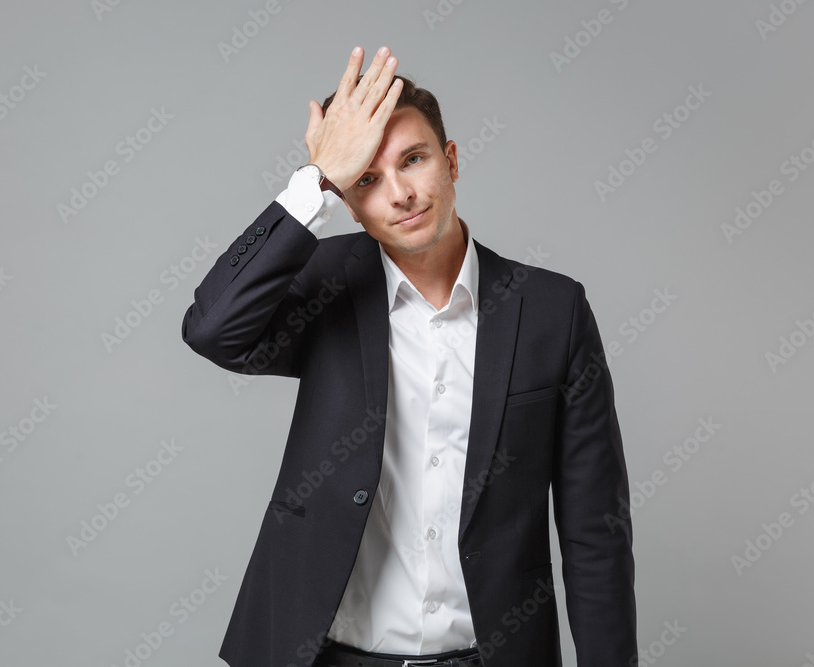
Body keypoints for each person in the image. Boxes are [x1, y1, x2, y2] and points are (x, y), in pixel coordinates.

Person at [181, 45, 637, 667]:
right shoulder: (325, 284)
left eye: (413, 160)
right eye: (366, 180)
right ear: (348, 202)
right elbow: (212, 330)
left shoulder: (553, 311)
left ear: (451, 161)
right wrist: (317, 179)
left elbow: (595, 529)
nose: (400, 194)